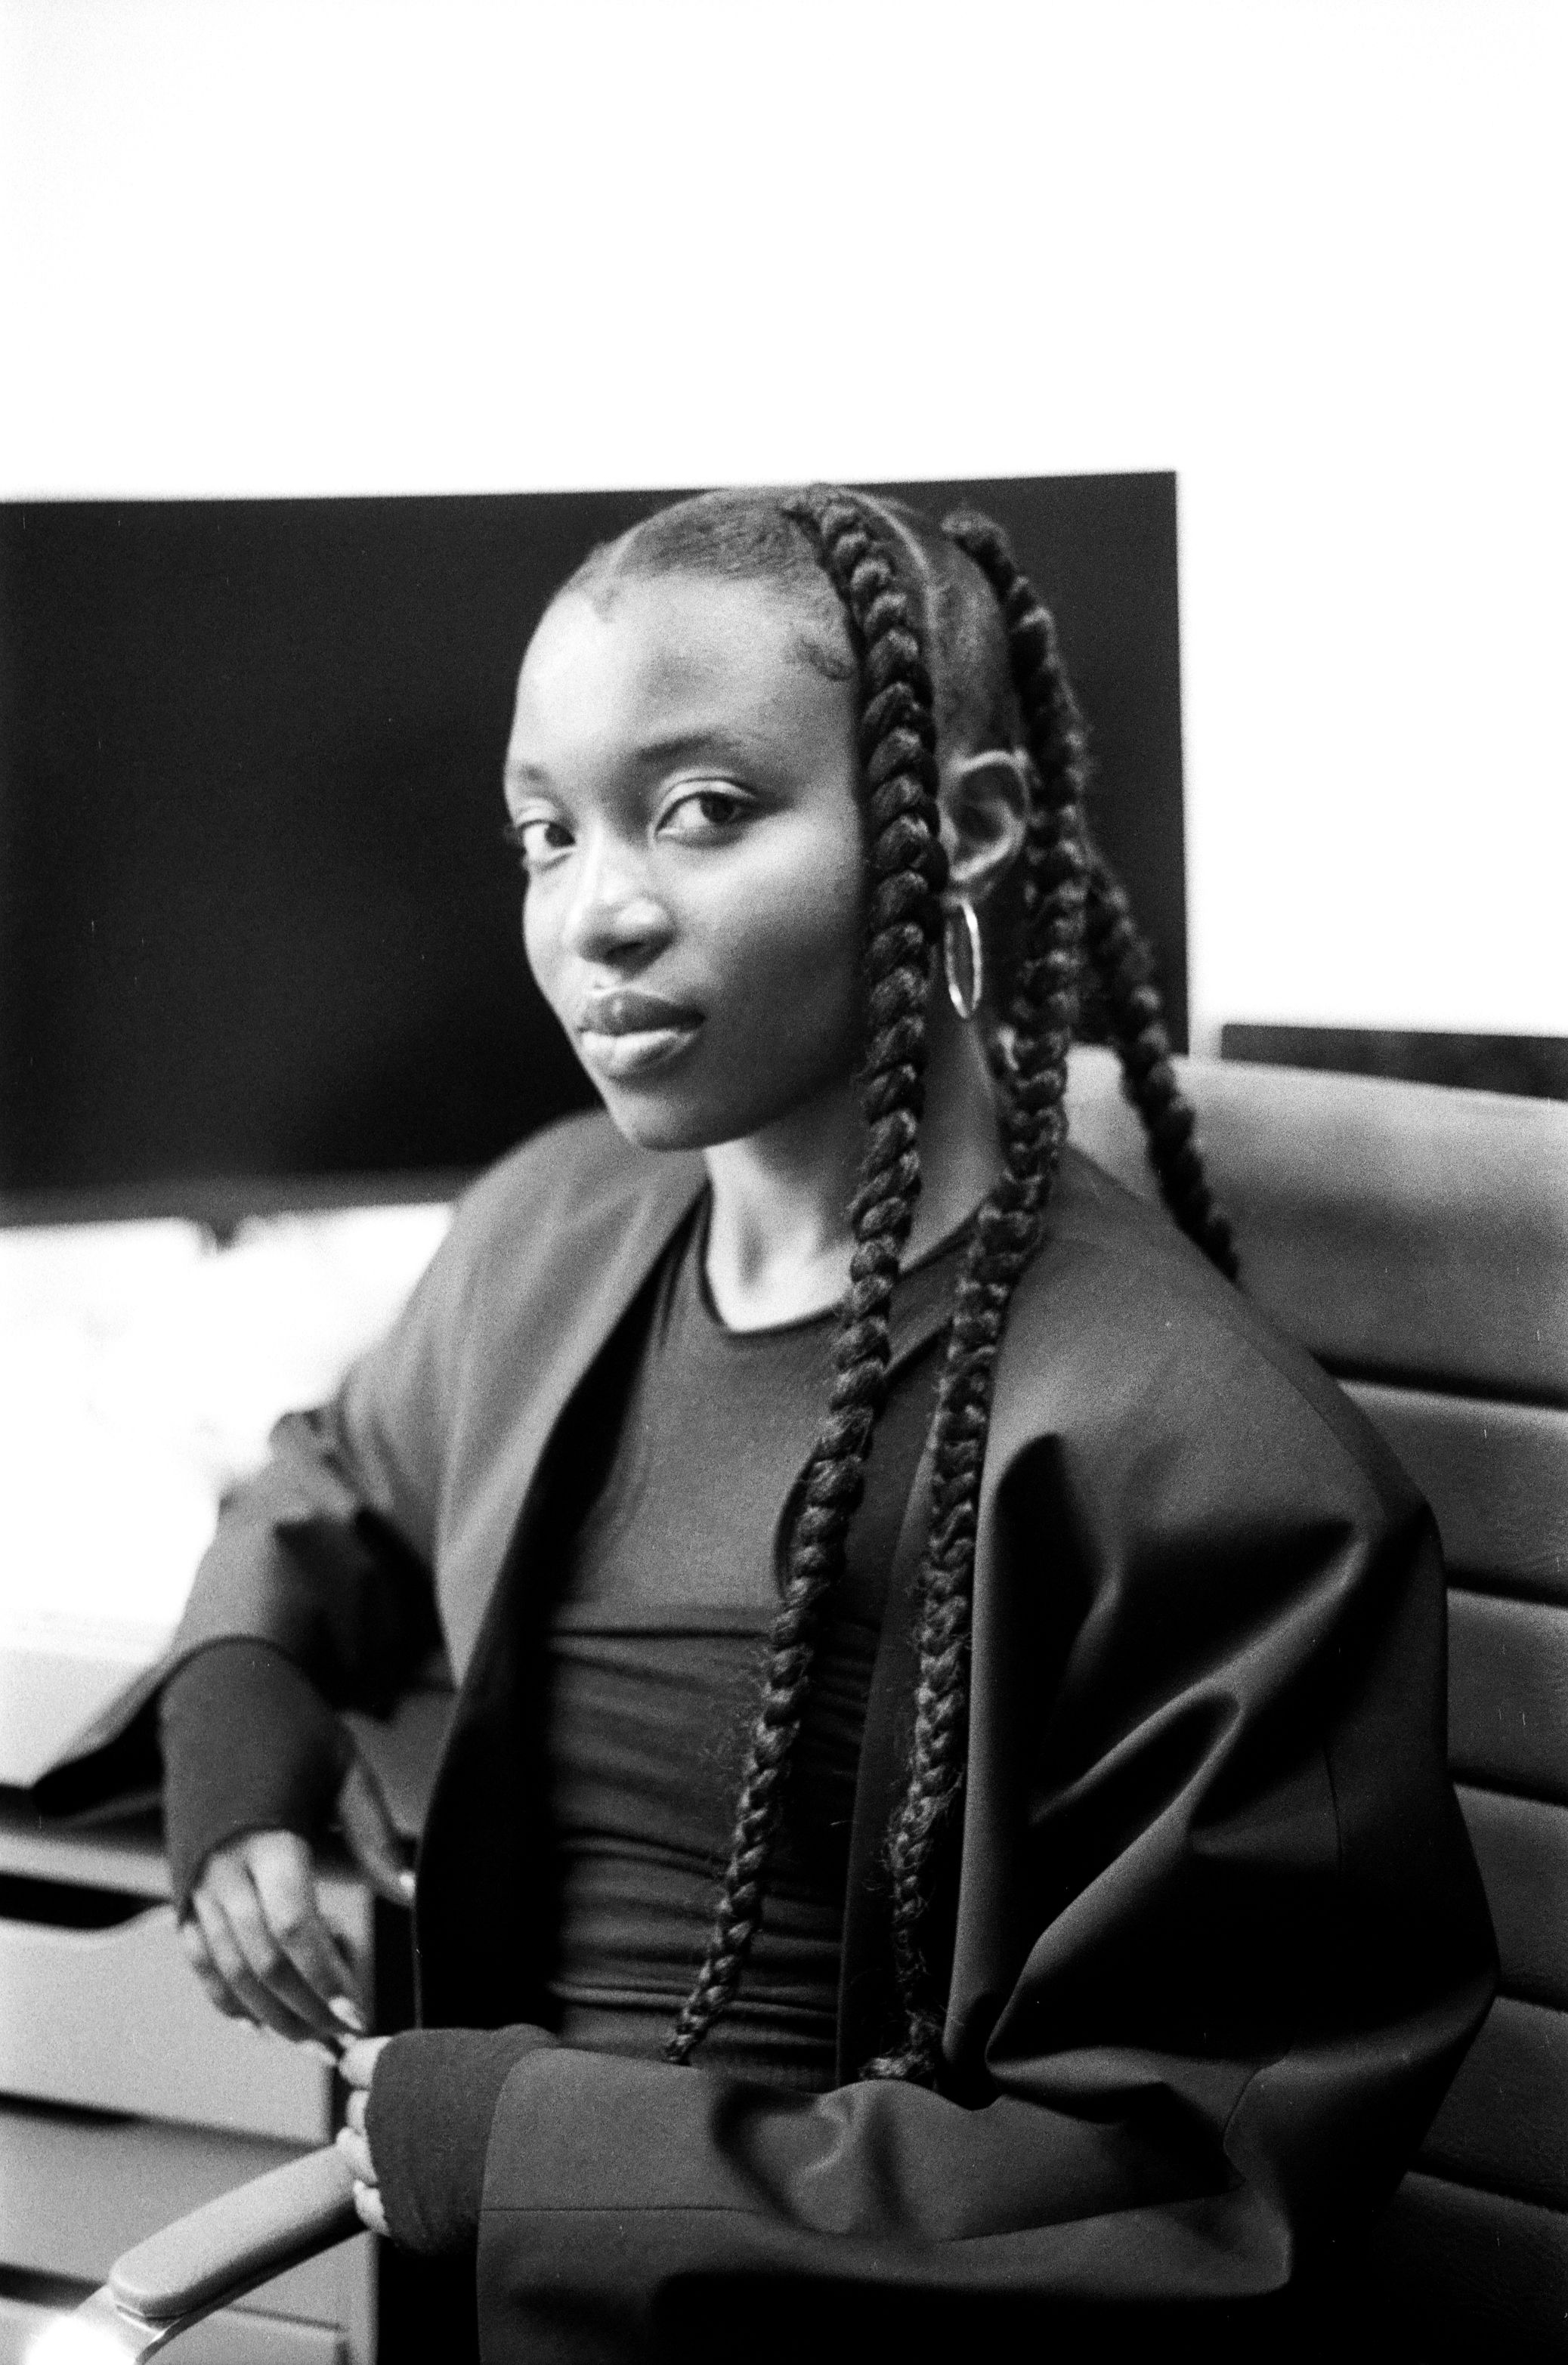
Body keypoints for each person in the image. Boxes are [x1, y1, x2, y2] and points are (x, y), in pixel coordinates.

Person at [45, 488, 1495, 2363]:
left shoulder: (1210, 1463)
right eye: (545, 833)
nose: (598, 909)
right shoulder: (555, 1227)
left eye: (703, 810)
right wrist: (241, 1700)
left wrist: (518, 2135)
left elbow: (1179, 2176)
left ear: (962, 829)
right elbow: (339, 1470)